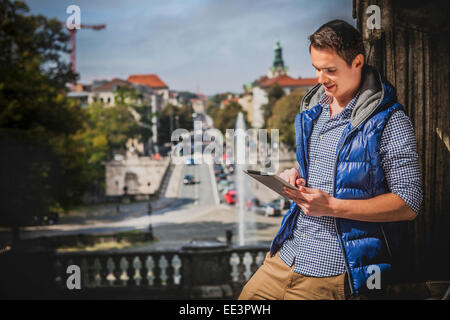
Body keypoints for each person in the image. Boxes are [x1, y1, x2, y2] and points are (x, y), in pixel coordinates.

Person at [238, 20, 422, 300]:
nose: (320, 79)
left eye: (330, 70)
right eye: (316, 69)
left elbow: (409, 203)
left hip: (332, 271)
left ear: (357, 62)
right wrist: (295, 174)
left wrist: (333, 206)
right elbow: (317, 167)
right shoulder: (315, 111)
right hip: (285, 257)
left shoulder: (390, 121)